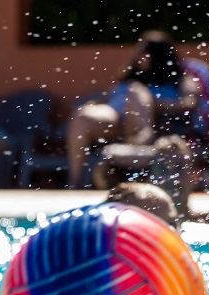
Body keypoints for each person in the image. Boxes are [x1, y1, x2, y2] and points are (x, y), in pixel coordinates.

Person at [66, 31, 201, 189]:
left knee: (135, 92)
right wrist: (94, 104)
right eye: (140, 52)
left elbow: (190, 103)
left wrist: (153, 103)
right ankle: (74, 182)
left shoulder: (180, 80)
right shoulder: (131, 78)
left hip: (151, 126)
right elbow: (108, 98)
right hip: (117, 120)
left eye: (146, 53)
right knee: (82, 115)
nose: (140, 57)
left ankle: (143, 138)